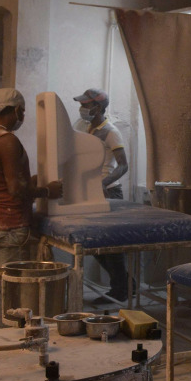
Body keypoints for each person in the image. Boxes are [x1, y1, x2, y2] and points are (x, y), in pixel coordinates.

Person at [0, 88, 63, 266]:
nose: (23, 117)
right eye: (23, 112)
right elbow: (15, 190)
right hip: (10, 225)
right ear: (17, 109)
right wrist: (47, 191)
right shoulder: (7, 141)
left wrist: (31, 180)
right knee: (15, 288)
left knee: (3, 283)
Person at [72, 88, 132, 302]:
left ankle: (120, 288)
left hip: (109, 192)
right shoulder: (89, 130)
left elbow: (123, 166)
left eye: (86, 105)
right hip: (91, 192)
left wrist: (103, 183)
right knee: (94, 244)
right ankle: (124, 283)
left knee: (111, 245)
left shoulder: (111, 131)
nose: (82, 109)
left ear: (97, 107)